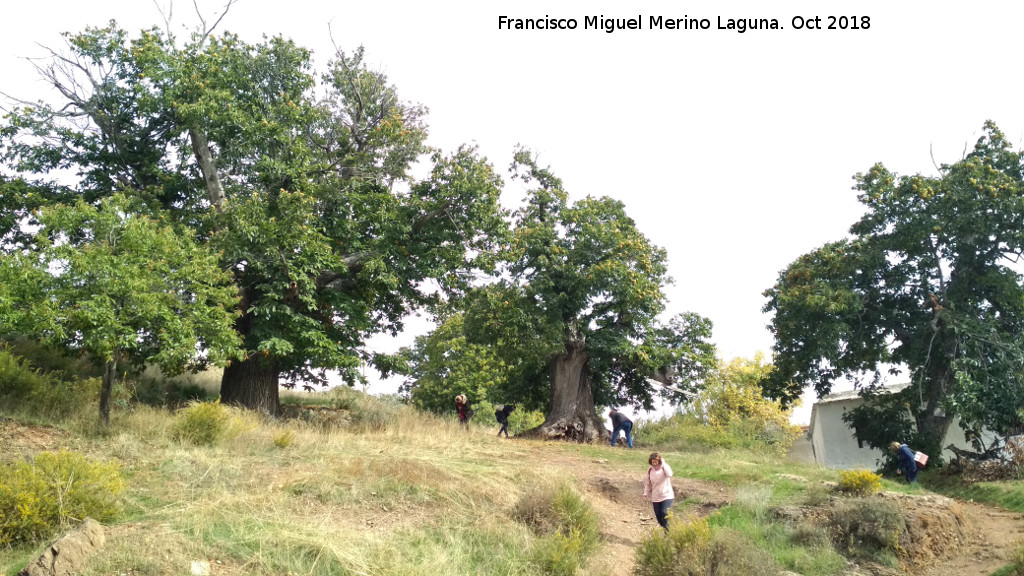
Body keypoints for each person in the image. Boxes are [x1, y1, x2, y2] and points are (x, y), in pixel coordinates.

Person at [643, 452, 674, 530]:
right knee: (658, 516)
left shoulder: (664, 468)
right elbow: (648, 483)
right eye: (653, 462)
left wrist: (663, 463)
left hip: (667, 495)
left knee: (664, 512)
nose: (654, 463)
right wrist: (645, 493)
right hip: (656, 497)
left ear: (659, 461)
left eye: (656, 461)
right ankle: (666, 530)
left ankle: (668, 532)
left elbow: (669, 474)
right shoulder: (650, 471)